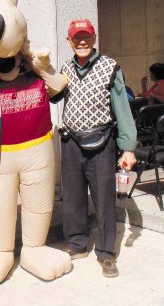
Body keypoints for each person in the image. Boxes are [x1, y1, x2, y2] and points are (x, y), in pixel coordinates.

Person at [56, 19, 137, 278]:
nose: (82, 41)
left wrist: (128, 147)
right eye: (76, 37)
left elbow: (122, 110)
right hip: (71, 143)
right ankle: (78, 244)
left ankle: (105, 253)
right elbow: (54, 96)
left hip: (101, 143)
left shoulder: (109, 67)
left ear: (94, 39)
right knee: (73, 198)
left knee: (103, 199)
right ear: (69, 40)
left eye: (86, 37)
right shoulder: (65, 68)